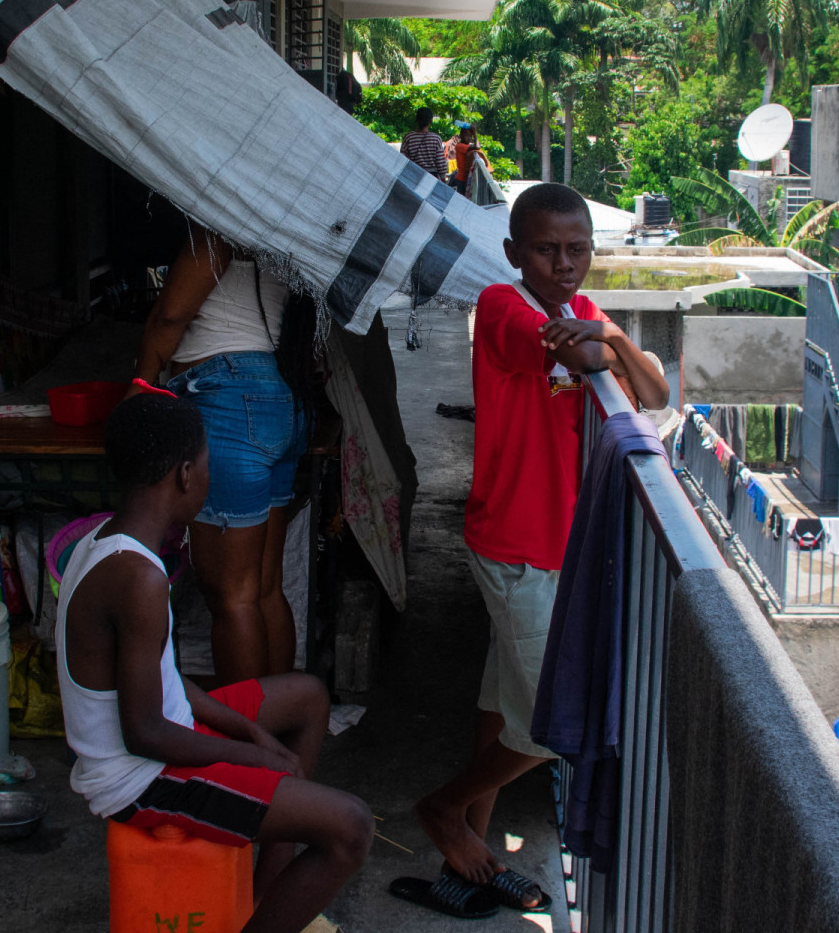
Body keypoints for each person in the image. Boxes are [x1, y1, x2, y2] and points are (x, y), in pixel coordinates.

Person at [394, 183, 668, 920]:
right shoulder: (504, 306)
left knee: (503, 705)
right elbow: (580, 364)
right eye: (547, 250)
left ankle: (467, 862)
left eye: (578, 250)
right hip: (515, 542)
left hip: (557, 547)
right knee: (556, 721)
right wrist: (594, 345)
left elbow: (655, 388)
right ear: (516, 253)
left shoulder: (578, 315)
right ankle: (446, 810)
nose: (565, 264)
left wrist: (605, 338)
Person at [57, 392, 373, 933]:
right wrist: (249, 756)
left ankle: (269, 896)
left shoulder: (107, 541)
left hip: (161, 730)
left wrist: (250, 730)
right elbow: (145, 733)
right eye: (206, 465)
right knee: (351, 827)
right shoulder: (138, 577)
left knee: (307, 699)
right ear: (183, 475)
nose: (208, 477)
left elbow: (167, 682)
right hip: (139, 779)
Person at [133, 225, 308, 684]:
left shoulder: (217, 226)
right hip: (277, 397)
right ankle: (277, 725)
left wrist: (140, 387)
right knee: (263, 589)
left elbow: (170, 316)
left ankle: (248, 743)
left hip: (228, 400)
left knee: (232, 596)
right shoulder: (277, 226)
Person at [400, 106, 448, 185]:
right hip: (431, 179)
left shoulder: (408, 137)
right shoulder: (436, 138)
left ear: (417, 120)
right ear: (430, 121)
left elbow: (403, 159)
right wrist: (443, 180)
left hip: (413, 177)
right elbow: (440, 163)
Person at [446, 124, 481, 201]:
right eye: (466, 135)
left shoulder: (466, 145)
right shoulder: (460, 146)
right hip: (461, 179)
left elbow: (477, 146)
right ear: (461, 136)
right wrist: (475, 133)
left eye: (470, 136)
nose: (469, 138)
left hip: (464, 177)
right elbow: (477, 147)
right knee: (462, 200)